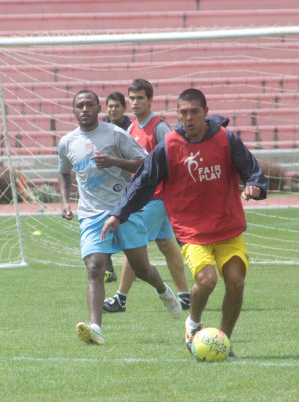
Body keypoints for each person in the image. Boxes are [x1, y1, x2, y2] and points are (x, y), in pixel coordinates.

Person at [101, 88, 268, 356]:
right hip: (191, 231)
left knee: (236, 282)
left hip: (227, 226)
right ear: (178, 114)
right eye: (183, 113)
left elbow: (252, 170)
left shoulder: (226, 139)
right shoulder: (169, 145)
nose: (188, 118)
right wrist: (118, 213)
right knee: (207, 279)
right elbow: (143, 183)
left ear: (205, 112)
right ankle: (195, 322)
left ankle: (221, 341)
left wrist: (254, 186)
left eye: (194, 112)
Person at [58, 89, 182, 346]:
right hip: (91, 214)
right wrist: (64, 201)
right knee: (94, 267)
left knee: (142, 269)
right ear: (73, 110)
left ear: (98, 108)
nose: (84, 109)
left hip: (124, 209)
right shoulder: (67, 143)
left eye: (89, 104)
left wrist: (113, 161)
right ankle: (96, 328)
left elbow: (145, 164)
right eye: (79, 105)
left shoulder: (115, 134)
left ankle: (163, 291)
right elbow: (63, 172)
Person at [103, 78, 190, 314]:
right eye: (132, 98)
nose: (135, 103)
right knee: (166, 245)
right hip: (148, 197)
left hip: (156, 197)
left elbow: (177, 158)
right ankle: (185, 295)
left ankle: (120, 298)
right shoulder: (132, 128)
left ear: (150, 100)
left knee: (134, 245)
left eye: (140, 98)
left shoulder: (160, 127)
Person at [103, 92, 132, 283]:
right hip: (104, 185)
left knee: (127, 229)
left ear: (124, 108)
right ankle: (107, 269)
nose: (113, 109)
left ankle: (133, 268)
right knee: (102, 225)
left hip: (127, 184)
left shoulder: (131, 129)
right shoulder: (100, 128)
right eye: (110, 106)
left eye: (117, 106)